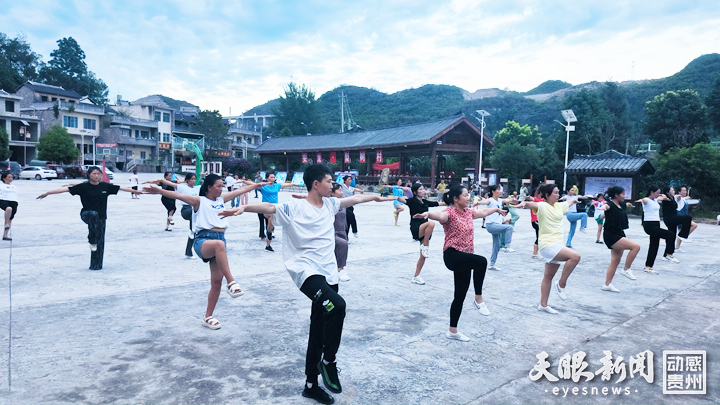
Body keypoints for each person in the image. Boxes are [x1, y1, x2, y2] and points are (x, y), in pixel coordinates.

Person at [222, 164, 394, 404]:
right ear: (316, 184)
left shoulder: (331, 204)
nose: (332, 185)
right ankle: (329, 361)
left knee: (318, 328)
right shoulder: (296, 207)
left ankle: (311, 384)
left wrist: (374, 197)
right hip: (305, 272)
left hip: (328, 273)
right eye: (329, 181)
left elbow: (352, 199)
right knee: (337, 306)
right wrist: (245, 207)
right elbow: (270, 207)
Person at [143, 174, 252, 330]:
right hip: (203, 240)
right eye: (219, 186)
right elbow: (178, 195)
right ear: (209, 187)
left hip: (219, 240)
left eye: (223, 186)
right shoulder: (199, 201)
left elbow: (243, 189)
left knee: (216, 282)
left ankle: (208, 317)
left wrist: (258, 185)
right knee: (219, 245)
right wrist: (161, 192)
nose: (222, 189)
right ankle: (232, 283)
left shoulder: (222, 200)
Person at [413, 185, 503, 341]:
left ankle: (452, 331)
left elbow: (483, 212)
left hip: (466, 257)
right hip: (453, 255)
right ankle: (479, 299)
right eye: (465, 195)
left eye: (468, 195)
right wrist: (428, 214)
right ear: (456, 199)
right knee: (482, 262)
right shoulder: (449, 213)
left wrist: (496, 210)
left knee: (459, 296)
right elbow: (440, 216)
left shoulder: (468, 213)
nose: (468, 198)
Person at [37, 166, 141, 270]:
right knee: (93, 215)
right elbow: (65, 189)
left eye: (99, 174)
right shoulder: (83, 187)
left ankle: (96, 265)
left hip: (101, 218)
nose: (97, 176)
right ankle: (91, 239)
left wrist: (135, 191)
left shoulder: (105, 186)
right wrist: (48, 193)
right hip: (87, 214)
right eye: (94, 174)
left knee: (100, 241)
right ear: (89, 175)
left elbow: (121, 187)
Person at [517, 184, 582, 314]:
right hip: (547, 244)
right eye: (555, 193)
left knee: (548, 276)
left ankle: (543, 305)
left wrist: (575, 199)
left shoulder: (559, 206)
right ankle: (562, 284)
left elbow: (568, 202)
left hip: (558, 244)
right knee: (575, 257)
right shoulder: (542, 205)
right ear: (547, 195)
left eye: (558, 193)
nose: (558, 195)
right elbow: (531, 205)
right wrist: (523, 204)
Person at [397, 183, 446, 285]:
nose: (423, 190)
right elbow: (402, 200)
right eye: (420, 189)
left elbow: (438, 203)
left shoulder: (425, 202)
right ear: (415, 192)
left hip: (426, 230)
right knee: (432, 223)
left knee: (422, 256)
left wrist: (453, 203)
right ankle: (426, 246)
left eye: (423, 189)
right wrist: (396, 196)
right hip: (416, 228)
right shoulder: (412, 201)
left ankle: (416, 276)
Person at [595, 186, 641, 292]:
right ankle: (626, 269)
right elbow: (606, 207)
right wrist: (602, 208)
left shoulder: (621, 205)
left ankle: (607, 284)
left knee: (615, 261)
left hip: (619, 232)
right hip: (611, 235)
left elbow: (626, 205)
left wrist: (630, 205)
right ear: (616, 195)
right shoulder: (610, 204)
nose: (625, 196)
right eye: (623, 194)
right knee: (635, 247)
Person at [243, 172, 297, 252]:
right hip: (266, 208)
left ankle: (268, 244)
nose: (273, 178)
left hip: (275, 208)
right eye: (271, 177)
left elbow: (287, 185)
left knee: (270, 226)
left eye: (274, 177)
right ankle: (269, 236)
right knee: (271, 218)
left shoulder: (276, 186)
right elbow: (252, 184)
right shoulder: (263, 187)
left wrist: (296, 184)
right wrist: (242, 181)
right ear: (267, 178)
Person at [637, 186, 676, 274]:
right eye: (657, 192)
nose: (658, 194)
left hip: (656, 224)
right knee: (670, 234)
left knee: (654, 245)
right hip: (649, 225)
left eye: (659, 192)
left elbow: (663, 197)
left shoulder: (655, 200)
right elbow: (644, 200)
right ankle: (669, 254)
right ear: (652, 192)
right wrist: (642, 200)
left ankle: (648, 267)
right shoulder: (646, 200)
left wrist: (662, 196)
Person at [476, 185, 515, 271]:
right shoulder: (491, 200)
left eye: (500, 190)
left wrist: (513, 199)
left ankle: (492, 264)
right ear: (493, 191)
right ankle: (507, 247)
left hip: (496, 225)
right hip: (491, 225)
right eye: (498, 190)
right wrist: (478, 202)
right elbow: (485, 201)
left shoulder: (500, 200)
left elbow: (507, 200)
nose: (500, 191)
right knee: (509, 228)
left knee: (496, 246)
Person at [661, 186, 691, 261]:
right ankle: (682, 235)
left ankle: (667, 254)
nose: (674, 191)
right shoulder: (665, 198)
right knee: (688, 218)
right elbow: (661, 197)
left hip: (672, 218)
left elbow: (677, 196)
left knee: (672, 236)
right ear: (668, 192)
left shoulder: (672, 198)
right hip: (670, 219)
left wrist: (682, 197)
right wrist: (663, 197)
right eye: (672, 190)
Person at [674, 187, 697, 251]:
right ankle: (683, 237)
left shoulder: (684, 199)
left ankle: (678, 246)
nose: (685, 192)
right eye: (683, 191)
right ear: (679, 192)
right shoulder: (679, 199)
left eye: (685, 191)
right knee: (693, 225)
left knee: (682, 231)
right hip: (680, 216)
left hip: (685, 217)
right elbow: (676, 197)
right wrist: (683, 198)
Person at [0, 172, 19, 240]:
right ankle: (6, 223)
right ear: (4, 178)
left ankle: (5, 235)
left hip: (13, 201)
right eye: (9, 177)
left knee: (10, 219)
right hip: (3, 200)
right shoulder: (1, 186)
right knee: (8, 209)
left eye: (11, 177)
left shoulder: (14, 187)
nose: (10, 179)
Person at [529, 186, 544, 259]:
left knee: (539, 236)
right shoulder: (534, 200)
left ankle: (535, 253)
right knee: (539, 237)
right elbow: (530, 198)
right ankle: (535, 253)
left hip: (540, 221)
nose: (540, 194)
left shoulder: (542, 200)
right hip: (535, 221)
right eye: (539, 193)